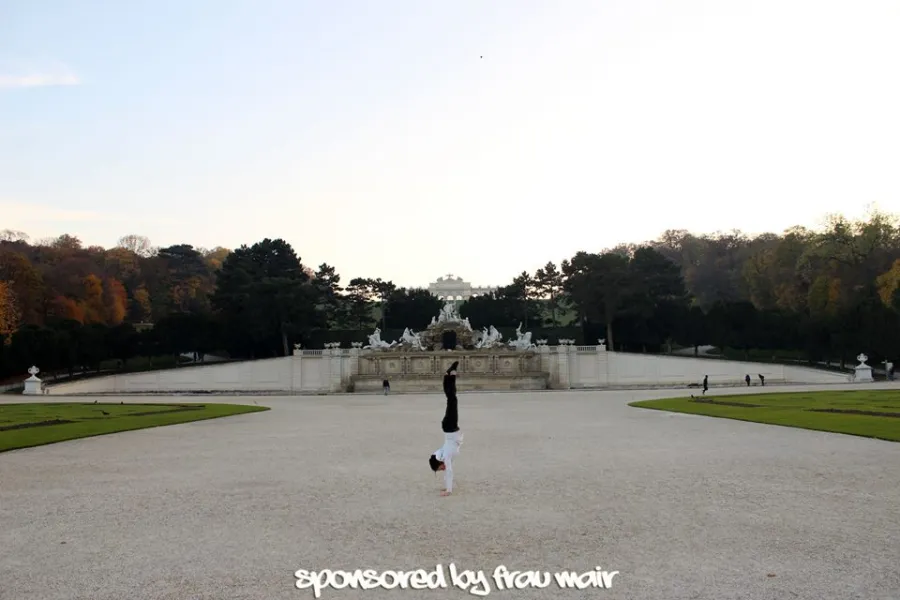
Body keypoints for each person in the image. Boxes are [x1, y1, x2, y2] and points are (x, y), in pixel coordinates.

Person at [429, 361, 463, 496]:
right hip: (449, 427)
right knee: (451, 399)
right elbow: (444, 467)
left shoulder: (445, 455)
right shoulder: (443, 455)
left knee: (452, 399)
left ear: (439, 463)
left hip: (450, 427)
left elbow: (449, 472)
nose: (443, 469)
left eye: (439, 468)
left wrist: (448, 491)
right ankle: (448, 375)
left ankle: (450, 375)